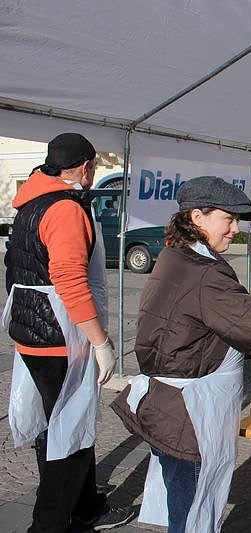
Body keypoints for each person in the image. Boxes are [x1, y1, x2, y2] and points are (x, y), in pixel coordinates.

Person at [110, 176, 251, 533]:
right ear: (197, 217)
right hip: (190, 413)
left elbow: (207, 326)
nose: (235, 229)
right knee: (193, 511)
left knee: (184, 507)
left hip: (170, 403)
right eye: (228, 219)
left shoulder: (175, 255)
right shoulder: (204, 272)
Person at [2, 133, 134, 532]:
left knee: (59, 426)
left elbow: (17, 268)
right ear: (86, 167)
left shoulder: (30, 203)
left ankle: (87, 506)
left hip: (32, 330)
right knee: (69, 435)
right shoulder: (64, 208)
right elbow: (69, 280)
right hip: (61, 337)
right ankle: (49, 524)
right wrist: (100, 341)